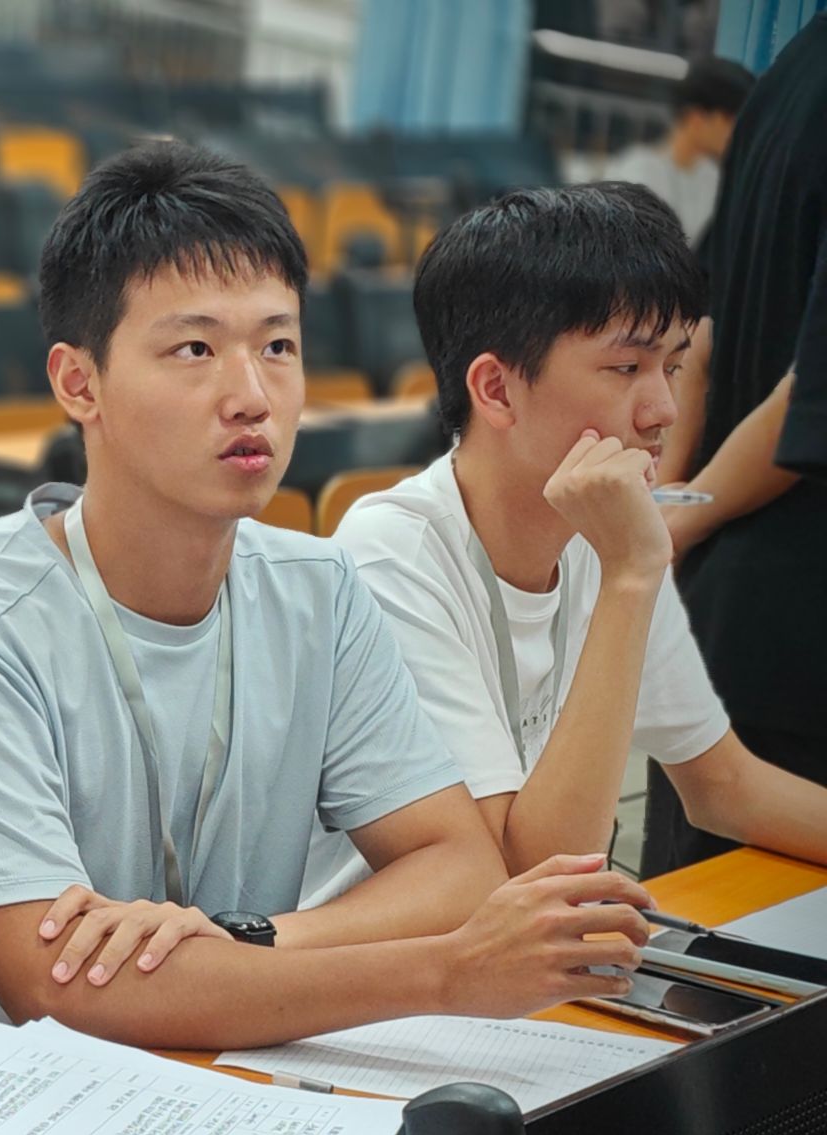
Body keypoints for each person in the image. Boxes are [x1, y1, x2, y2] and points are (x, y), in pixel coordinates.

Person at [0, 141, 655, 1068]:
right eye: (194, 349)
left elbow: (458, 866)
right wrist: (445, 975)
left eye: (277, 346)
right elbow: (56, 990)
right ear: (79, 383)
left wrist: (246, 939)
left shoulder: (319, 593)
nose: (251, 396)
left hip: (176, 1085)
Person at [303, 183, 827, 903]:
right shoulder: (392, 552)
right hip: (401, 962)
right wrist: (630, 578)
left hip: (539, 953)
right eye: (626, 368)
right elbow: (532, 873)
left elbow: (723, 785)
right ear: (496, 390)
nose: (664, 410)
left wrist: (626, 568)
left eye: (673, 367)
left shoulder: (604, 535)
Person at [644, 14, 827, 875]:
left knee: (690, 929)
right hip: (796, 643)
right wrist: (677, 521)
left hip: (726, 610)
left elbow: (703, 341)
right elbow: (808, 398)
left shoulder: (791, 68)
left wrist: (675, 508)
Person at [578, 55, 754, 245]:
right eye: (729, 121)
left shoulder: (713, 178)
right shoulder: (638, 174)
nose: (736, 132)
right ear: (696, 118)